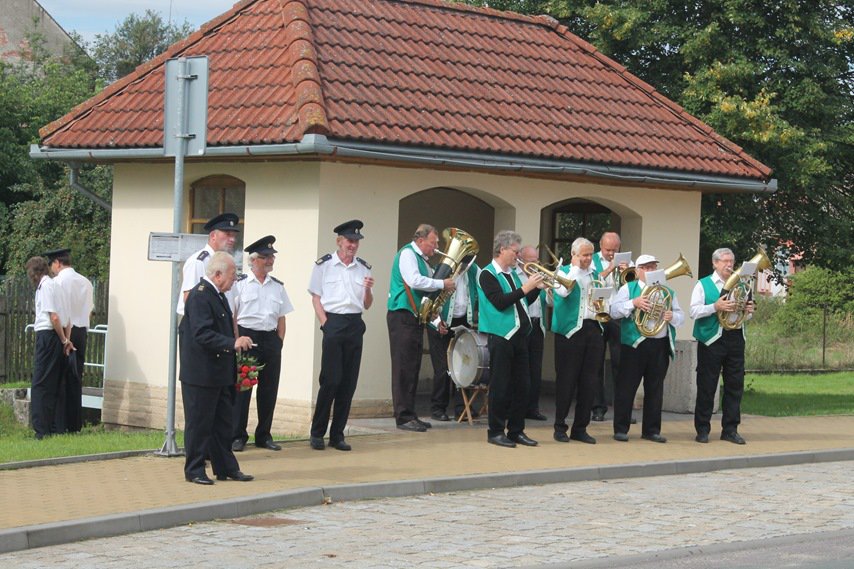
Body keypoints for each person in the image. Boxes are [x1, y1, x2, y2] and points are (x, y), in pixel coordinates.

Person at [180, 251, 254, 485]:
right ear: (218, 274)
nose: (235, 279)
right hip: (201, 374)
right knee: (200, 425)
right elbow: (202, 334)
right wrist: (233, 343)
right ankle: (195, 469)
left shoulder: (219, 295)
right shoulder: (200, 296)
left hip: (219, 373)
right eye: (233, 274)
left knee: (223, 424)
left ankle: (226, 468)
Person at [309, 220, 374, 450]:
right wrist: (325, 324)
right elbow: (316, 297)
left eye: (356, 242)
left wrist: (367, 289)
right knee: (330, 380)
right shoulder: (324, 265)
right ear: (339, 241)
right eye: (349, 241)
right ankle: (317, 433)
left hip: (355, 323)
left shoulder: (363, 267)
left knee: (348, 383)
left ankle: (337, 435)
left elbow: (367, 305)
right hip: (334, 322)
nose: (353, 246)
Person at [477, 230, 544, 448]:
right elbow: (500, 302)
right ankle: (495, 431)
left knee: (523, 386)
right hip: (501, 336)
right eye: (515, 252)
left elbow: (521, 302)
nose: (517, 256)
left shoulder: (512, 274)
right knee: (500, 386)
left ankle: (516, 430)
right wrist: (527, 287)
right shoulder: (487, 274)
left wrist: (537, 290)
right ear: (502, 249)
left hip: (519, 336)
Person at [387, 224, 455, 432]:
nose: (436, 247)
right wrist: (443, 284)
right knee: (403, 368)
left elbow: (424, 300)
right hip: (402, 315)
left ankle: (410, 413)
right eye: (433, 243)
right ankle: (403, 416)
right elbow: (414, 282)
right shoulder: (408, 254)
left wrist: (436, 321)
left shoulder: (424, 262)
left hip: (414, 317)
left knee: (412, 368)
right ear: (420, 241)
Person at [609, 254, 684, 443]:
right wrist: (633, 303)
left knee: (655, 388)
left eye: (653, 267)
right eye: (647, 267)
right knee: (626, 387)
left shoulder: (667, 291)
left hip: (659, 343)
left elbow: (681, 316)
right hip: (634, 344)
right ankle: (621, 428)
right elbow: (613, 310)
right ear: (638, 270)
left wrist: (671, 316)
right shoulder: (629, 288)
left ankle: (651, 430)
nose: (651, 271)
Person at [230, 235, 294, 452]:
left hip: (270, 339)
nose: (271, 260)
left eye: (272, 256)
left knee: (269, 390)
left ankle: (264, 435)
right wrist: (237, 339)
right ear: (254, 260)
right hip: (247, 338)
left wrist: (279, 342)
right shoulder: (239, 284)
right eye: (266, 257)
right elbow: (234, 315)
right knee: (243, 389)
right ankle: (238, 435)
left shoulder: (277, 287)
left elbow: (282, 317)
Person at [690, 247, 753, 445]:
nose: (729, 265)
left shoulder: (742, 285)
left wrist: (749, 309)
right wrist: (715, 307)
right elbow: (694, 311)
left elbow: (747, 315)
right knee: (707, 386)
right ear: (715, 263)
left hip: (735, 337)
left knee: (735, 385)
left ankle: (730, 429)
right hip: (711, 340)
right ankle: (702, 429)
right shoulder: (703, 284)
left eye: (731, 262)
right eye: (725, 261)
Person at [550, 238, 603, 444]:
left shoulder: (595, 274)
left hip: (592, 328)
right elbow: (563, 291)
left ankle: (580, 428)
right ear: (574, 254)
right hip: (569, 332)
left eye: (590, 255)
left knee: (589, 382)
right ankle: (559, 426)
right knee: (566, 381)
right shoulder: (562, 272)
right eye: (584, 255)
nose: (588, 259)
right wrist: (574, 268)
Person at [46, 248, 94, 433]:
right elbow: (89, 310)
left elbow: (57, 311)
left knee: (59, 377)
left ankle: (60, 423)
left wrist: (65, 337)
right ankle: (75, 423)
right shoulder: (86, 282)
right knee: (75, 377)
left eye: (52, 265)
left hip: (65, 332)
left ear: (57, 263)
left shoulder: (57, 282)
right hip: (81, 332)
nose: (52, 269)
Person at [26, 256, 74, 439]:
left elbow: (53, 317)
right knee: (54, 383)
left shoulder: (45, 286)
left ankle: (41, 431)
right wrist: (66, 340)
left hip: (47, 335)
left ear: (35, 273)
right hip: (58, 335)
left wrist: (63, 340)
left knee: (39, 384)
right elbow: (67, 319)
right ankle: (55, 427)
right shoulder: (58, 286)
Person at [427, 257, 478, 422]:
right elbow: (428, 301)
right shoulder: (441, 269)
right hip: (440, 322)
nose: (464, 267)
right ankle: (438, 408)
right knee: (442, 368)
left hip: (463, 321)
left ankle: (461, 407)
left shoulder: (474, 271)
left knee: (464, 364)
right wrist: (436, 323)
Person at [590, 232, 628, 422]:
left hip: (617, 315)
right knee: (595, 363)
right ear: (600, 246)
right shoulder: (591, 260)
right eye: (608, 250)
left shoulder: (626, 261)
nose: (612, 254)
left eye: (615, 250)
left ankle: (623, 410)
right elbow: (591, 282)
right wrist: (610, 268)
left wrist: (629, 272)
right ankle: (598, 408)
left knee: (621, 363)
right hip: (598, 314)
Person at [177, 212, 240, 316]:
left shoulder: (228, 262)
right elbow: (189, 298)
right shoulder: (198, 262)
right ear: (213, 236)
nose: (232, 239)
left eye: (234, 235)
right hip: (204, 325)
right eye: (228, 234)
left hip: (223, 324)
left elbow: (232, 302)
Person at [514, 245, 547, 422]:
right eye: (531, 261)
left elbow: (549, 301)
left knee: (535, 369)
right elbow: (521, 300)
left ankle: (532, 408)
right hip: (522, 326)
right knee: (521, 370)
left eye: (536, 261)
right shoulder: (515, 276)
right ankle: (517, 407)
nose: (535, 264)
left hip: (537, 325)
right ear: (521, 259)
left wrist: (549, 288)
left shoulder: (540, 276)